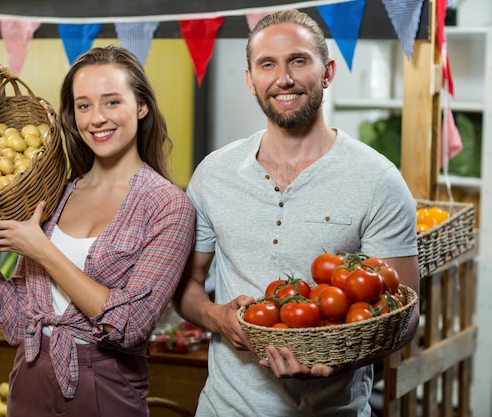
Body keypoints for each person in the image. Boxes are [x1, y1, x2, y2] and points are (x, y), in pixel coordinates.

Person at [173, 9, 420, 417]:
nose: (283, 78)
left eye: (299, 61)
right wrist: (217, 317)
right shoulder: (214, 173)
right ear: (251, 80)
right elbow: (187, 285)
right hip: (224, 407)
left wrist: (342, 360)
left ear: (328, 72)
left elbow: (404, 318)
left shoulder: (378, 180)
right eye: (267, 64)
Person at [0, 46, 195, 416]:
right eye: (83, 106)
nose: (97, 119)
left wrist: (42, 250)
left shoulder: (167, 205)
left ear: (142, 106)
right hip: (29, 378)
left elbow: (130, 324)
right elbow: (16, 319)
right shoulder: (55, 194)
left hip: (104, 385)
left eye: (112, 102)